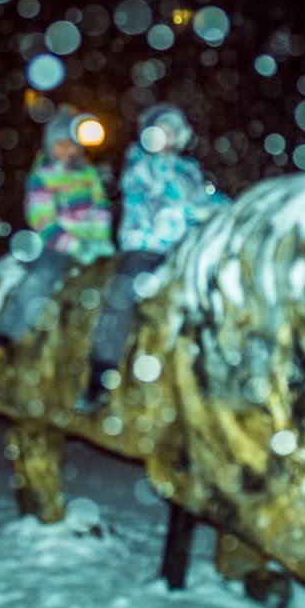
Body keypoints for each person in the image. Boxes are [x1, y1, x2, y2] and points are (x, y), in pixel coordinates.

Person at [75, 102, 230, 413]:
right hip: (147, 246)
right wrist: (194, 211)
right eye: (162, 130)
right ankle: (100, 373)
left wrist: (233, 208)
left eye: (173, 132)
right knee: (122, 293)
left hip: (184, 251)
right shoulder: (138, 164)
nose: (167, 137)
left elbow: (206, 197)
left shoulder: (189, 169)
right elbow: (162, 195)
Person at [0, 105, 114, 362]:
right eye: (59, 144)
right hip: (56, 245)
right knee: (40, 280)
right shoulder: (42, 176)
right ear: (50, 145)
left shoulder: (87, 174)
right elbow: (42, 220)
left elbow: (100, 209)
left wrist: (102, 243)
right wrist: (75, 246)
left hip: (92, 245)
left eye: (71, 144)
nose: (66, 150)